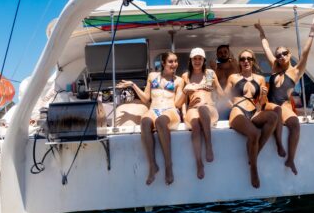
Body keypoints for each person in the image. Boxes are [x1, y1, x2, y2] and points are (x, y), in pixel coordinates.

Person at [255, 19, 314, 175]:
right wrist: (261, 31)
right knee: (276, 110)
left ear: (289, 54)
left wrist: (312, 32)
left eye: (284, 53)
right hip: (268, 104)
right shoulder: (275, 67)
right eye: (278, 55)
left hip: (284, 105)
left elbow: (305, 53)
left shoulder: (296, 71)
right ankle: (278, 143)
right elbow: (266, 48)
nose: (281, 56)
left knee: (295, 123)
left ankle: (291, 160)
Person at [118, 51, 184, 185]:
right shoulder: (152, 76)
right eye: (171, 61)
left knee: (160, 121)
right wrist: (133, 85)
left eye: (176, 61)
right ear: (163, 63)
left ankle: (168, 165)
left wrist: (186, 92)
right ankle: (153, 165)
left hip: (170, 110)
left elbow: (177, 104)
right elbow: (146, 99)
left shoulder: (179, 80)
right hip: (153, 109)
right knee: (145, 121)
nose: (174, 64)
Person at [224, 49, 277, 188]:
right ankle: (254, 169)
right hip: (238, 111)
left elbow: (262, 102)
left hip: (254, 111)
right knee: (254, 133)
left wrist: (264, 95)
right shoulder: (233, 77)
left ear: (253, 61)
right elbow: (224, 97)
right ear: (239, 62)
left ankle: (255, 152)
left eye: (249, 58)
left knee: (273, 117)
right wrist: (233, 106)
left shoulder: (260, 79)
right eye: (242, 59)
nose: (246, 61)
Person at [182, 47, 224, 180]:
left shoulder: (210, 73)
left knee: (203, 109)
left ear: (204, 60)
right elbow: (184, 99)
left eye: (200, 58)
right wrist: (183, 114)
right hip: (192, 108)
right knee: (195, 123)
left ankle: (208, 144)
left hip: (209, 107)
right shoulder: (185, 76)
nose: (197, 61)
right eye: (195, 58)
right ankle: (199, 162)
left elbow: (220, 92)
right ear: (191, 60)